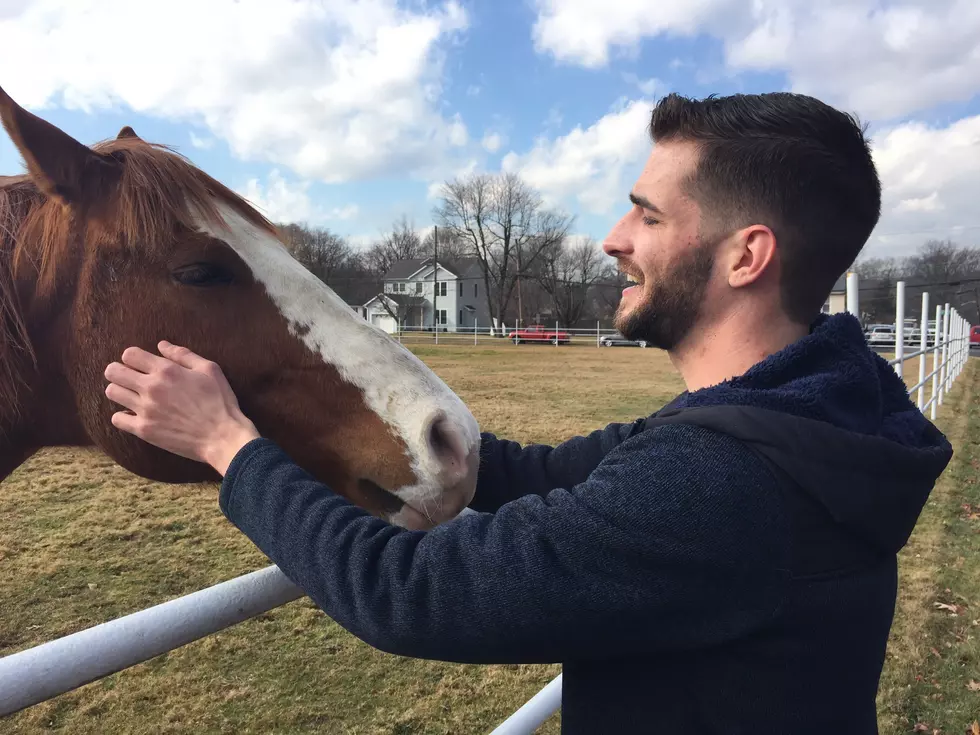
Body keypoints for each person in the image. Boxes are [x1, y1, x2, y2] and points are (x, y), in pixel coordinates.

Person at [103, 92, 953, 733]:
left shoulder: (725, 481)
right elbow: (548, 475)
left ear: (747, 254)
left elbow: (411, 594)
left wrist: (230, 446)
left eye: (647, 213)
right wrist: (406, 422)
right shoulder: (802, 419)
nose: (614, 236)